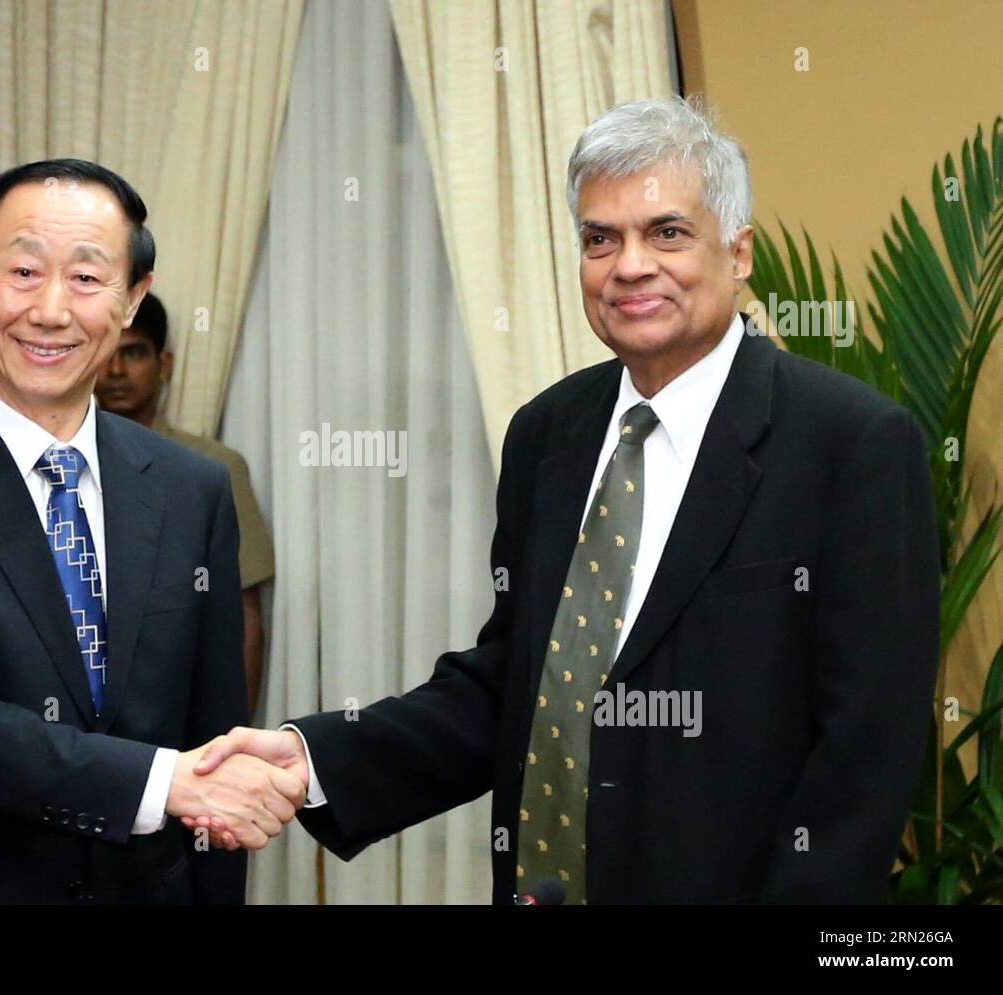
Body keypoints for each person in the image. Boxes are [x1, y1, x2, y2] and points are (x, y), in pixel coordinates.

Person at [188, 97, 941, 905]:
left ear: (740, 250)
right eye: (599, 238)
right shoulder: (548, 434)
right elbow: (515, 682)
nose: (630, 265)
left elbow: (867, 752)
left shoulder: (850, 443)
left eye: (667, 233)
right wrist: (317, 761)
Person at [0, 159, 304, 905]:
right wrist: (157, 781)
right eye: (22, 270)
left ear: (133, 298)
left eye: (85, 278)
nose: (50, 310)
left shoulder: (191, 489)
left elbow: (212, 745)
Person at [95, 293, 275, 713]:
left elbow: (245, 617)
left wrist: (235, 733)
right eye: (106, 354)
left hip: (180, 706)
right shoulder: (64, 465)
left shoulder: (212, 469)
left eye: (134, 353)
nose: (117, 371)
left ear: (166, 364)